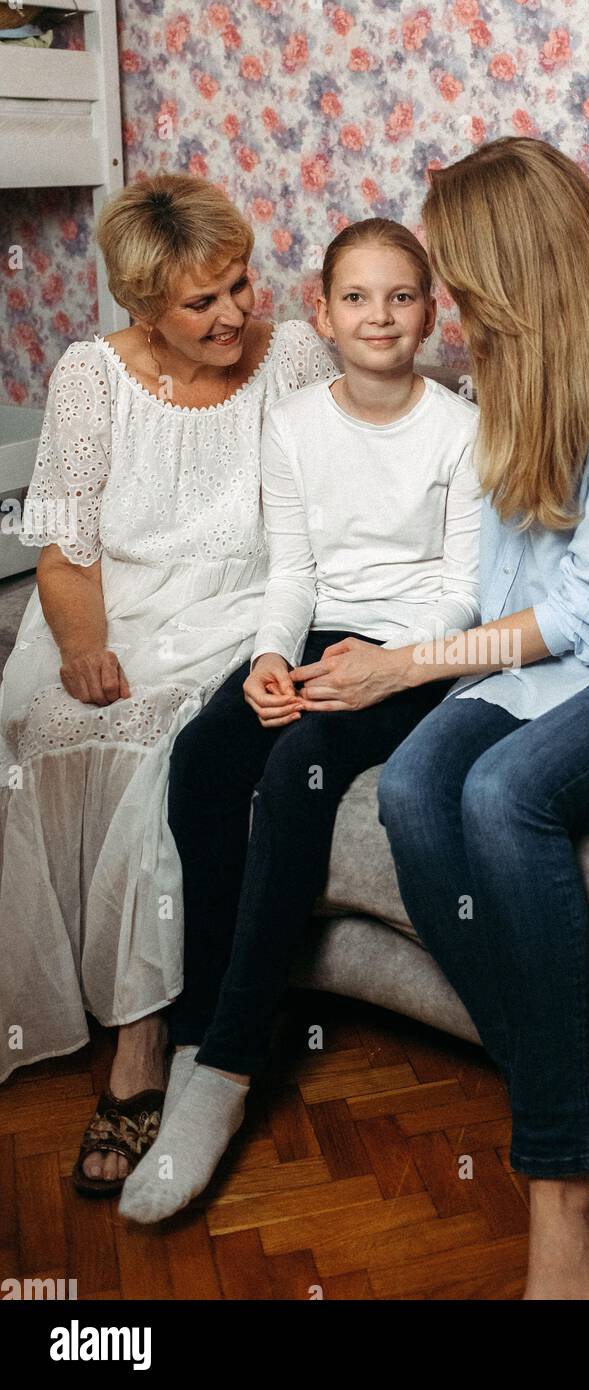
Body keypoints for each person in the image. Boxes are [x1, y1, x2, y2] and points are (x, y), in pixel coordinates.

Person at [279, 137, 589, 1299]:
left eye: (454, 272)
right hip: (544, 661)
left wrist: (410, 667)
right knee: (410, 789)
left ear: (515, 262)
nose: (441, 299)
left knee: (505, 795)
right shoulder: (498, 368)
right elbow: (506, 584)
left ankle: (555, 1190)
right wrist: (413, 662)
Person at [117, 219, 482, 1224]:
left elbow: (462, 592)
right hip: (317, 631)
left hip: (409, 651)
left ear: (429, 311)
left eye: (401, 297)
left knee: (300, 775)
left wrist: (385, 668)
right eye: (356, 297)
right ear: (321, 312)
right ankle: (195, 1032)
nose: (379, 317)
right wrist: (273, 657)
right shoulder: (296, 423)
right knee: (202, 755)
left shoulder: (459, 427)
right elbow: (296, 573)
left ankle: (227, 1075)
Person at [0, 173, 339, 1196]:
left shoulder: (292, 357)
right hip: (113, 607)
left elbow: (327, 520)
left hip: (241, 606)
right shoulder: (90, 375)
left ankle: (142, 1045)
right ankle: (71, 980)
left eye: (240, 284)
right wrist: (83, 644)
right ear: (143, 305)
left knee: (162, 747)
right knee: (45, 719)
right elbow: (66, 549)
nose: (235, 312)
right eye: (203, 301)